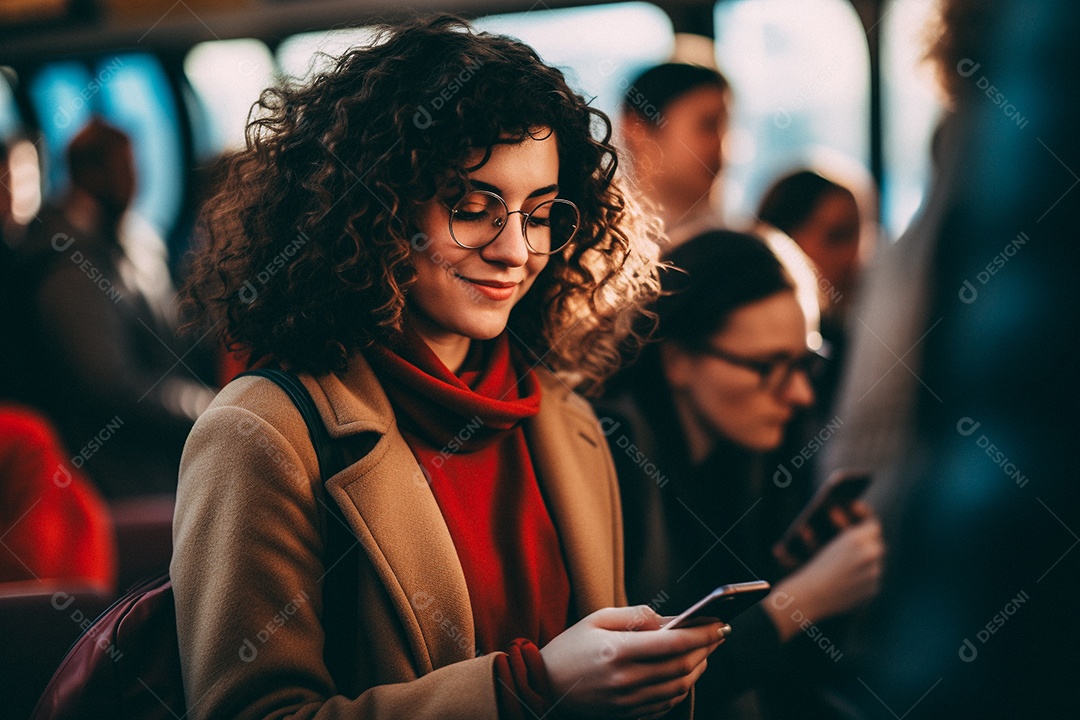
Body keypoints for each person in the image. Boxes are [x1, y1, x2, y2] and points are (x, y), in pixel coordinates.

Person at [173, 16, 728, 720]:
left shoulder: (565, 418)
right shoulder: (263, 434)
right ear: (374, 206)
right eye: (474, 208)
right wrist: (528, 690)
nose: (515, 249)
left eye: (541, 213)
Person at [597, 231, 884, 719]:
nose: (800, 395)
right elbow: (636, 695)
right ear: (677, 361)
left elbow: (792, 678)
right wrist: (800, 601)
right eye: (768, 366)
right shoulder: (612, 456)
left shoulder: (756, 453)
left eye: (805, 362)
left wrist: (802, 575)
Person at [19, 119, 216, 497]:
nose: (134, 182)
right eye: (124, 169)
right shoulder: (68, 268)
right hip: (124, 473)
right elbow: (111, 387)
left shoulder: (138, 242)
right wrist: (206, 406)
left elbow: (176, 343)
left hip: (165, 451)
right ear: (88, 174)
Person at [757, 169, 865, 416]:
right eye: (837, 237)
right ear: (784, 242)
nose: (856, 258)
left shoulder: (850, 334)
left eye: (861, 237)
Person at [618, 62, 731, 248]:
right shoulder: (599, 246)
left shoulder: (737, 247)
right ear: (637, 129)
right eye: (708, 125)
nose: (721, 144)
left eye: (725, 127)